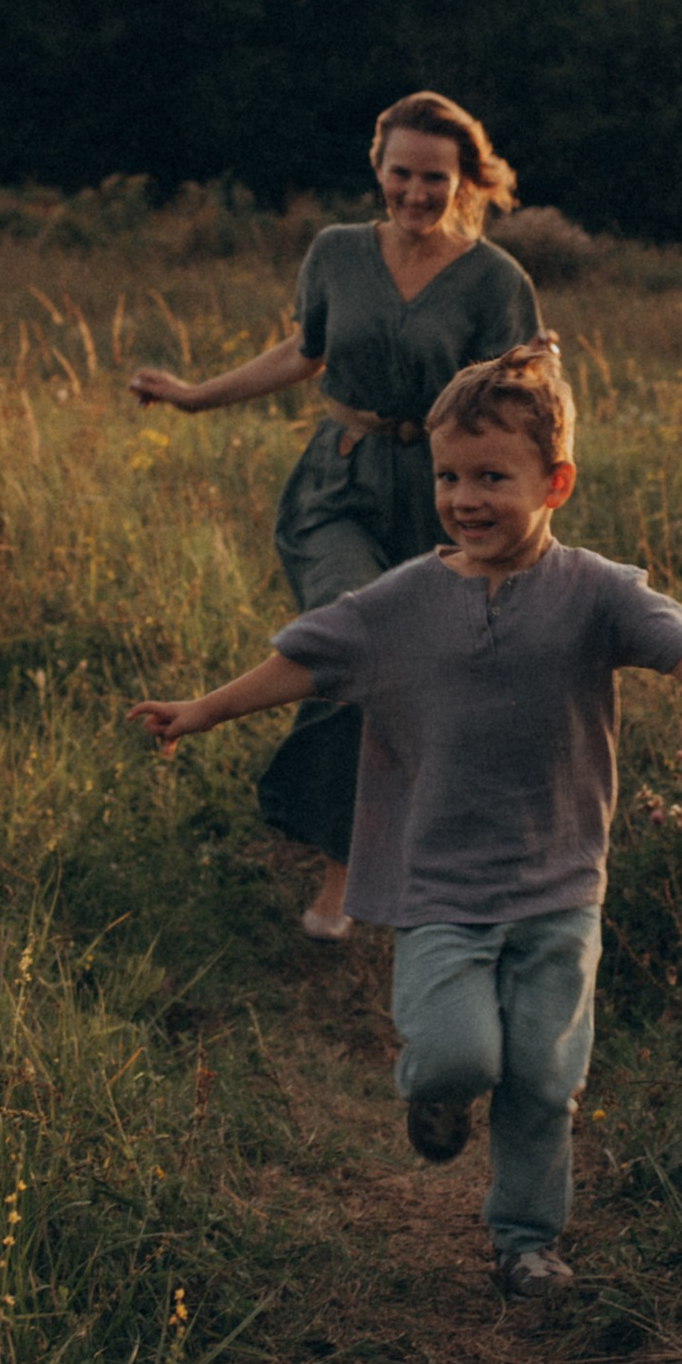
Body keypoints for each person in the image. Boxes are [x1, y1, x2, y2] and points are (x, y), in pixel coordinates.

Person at [128, 337, 682, 1327]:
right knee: (461, 1055)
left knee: (544, 1076)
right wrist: (201, 710)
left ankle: (526, 1245)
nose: (463, 497)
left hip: (559, 888)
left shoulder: (595, 592)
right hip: (439, 887)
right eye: (449, 476)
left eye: (491, 477)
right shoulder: (406, 600)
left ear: (555, 483)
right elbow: (304, 660)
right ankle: (434, 1089)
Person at [128, 95, 540, 942]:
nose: (416, 192)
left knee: (413, 680)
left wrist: (523, 507)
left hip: (442, 496)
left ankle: (400, 855)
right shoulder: (338, 253)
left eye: (435, 177)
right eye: (401, 173)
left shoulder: (496, 280)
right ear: (377, 167)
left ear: (461, 180)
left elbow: (527, 400)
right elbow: (304, 351)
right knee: (351, 637)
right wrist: (197, 397)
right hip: (338, 485)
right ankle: (340, 862)